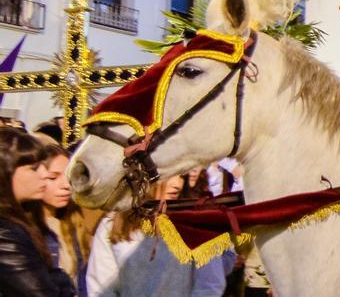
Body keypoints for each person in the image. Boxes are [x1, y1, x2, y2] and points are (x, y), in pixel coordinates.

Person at [87, 175, 227, 296]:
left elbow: (210, 284)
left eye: (181, 176)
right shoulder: (112, 226)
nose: (177, 184)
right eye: (170, 175)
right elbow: (101, 287)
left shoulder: (197, 222)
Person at [0, 126, 74, 296]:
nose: (43, 174)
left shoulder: (23, 220)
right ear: (5, 172)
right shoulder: (5, 233)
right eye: (33, 168)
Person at [39, 142, 93, 295]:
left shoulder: (75, 222)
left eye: (68, 177)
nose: (65, 185)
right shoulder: (23, 230)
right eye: (53, 177)